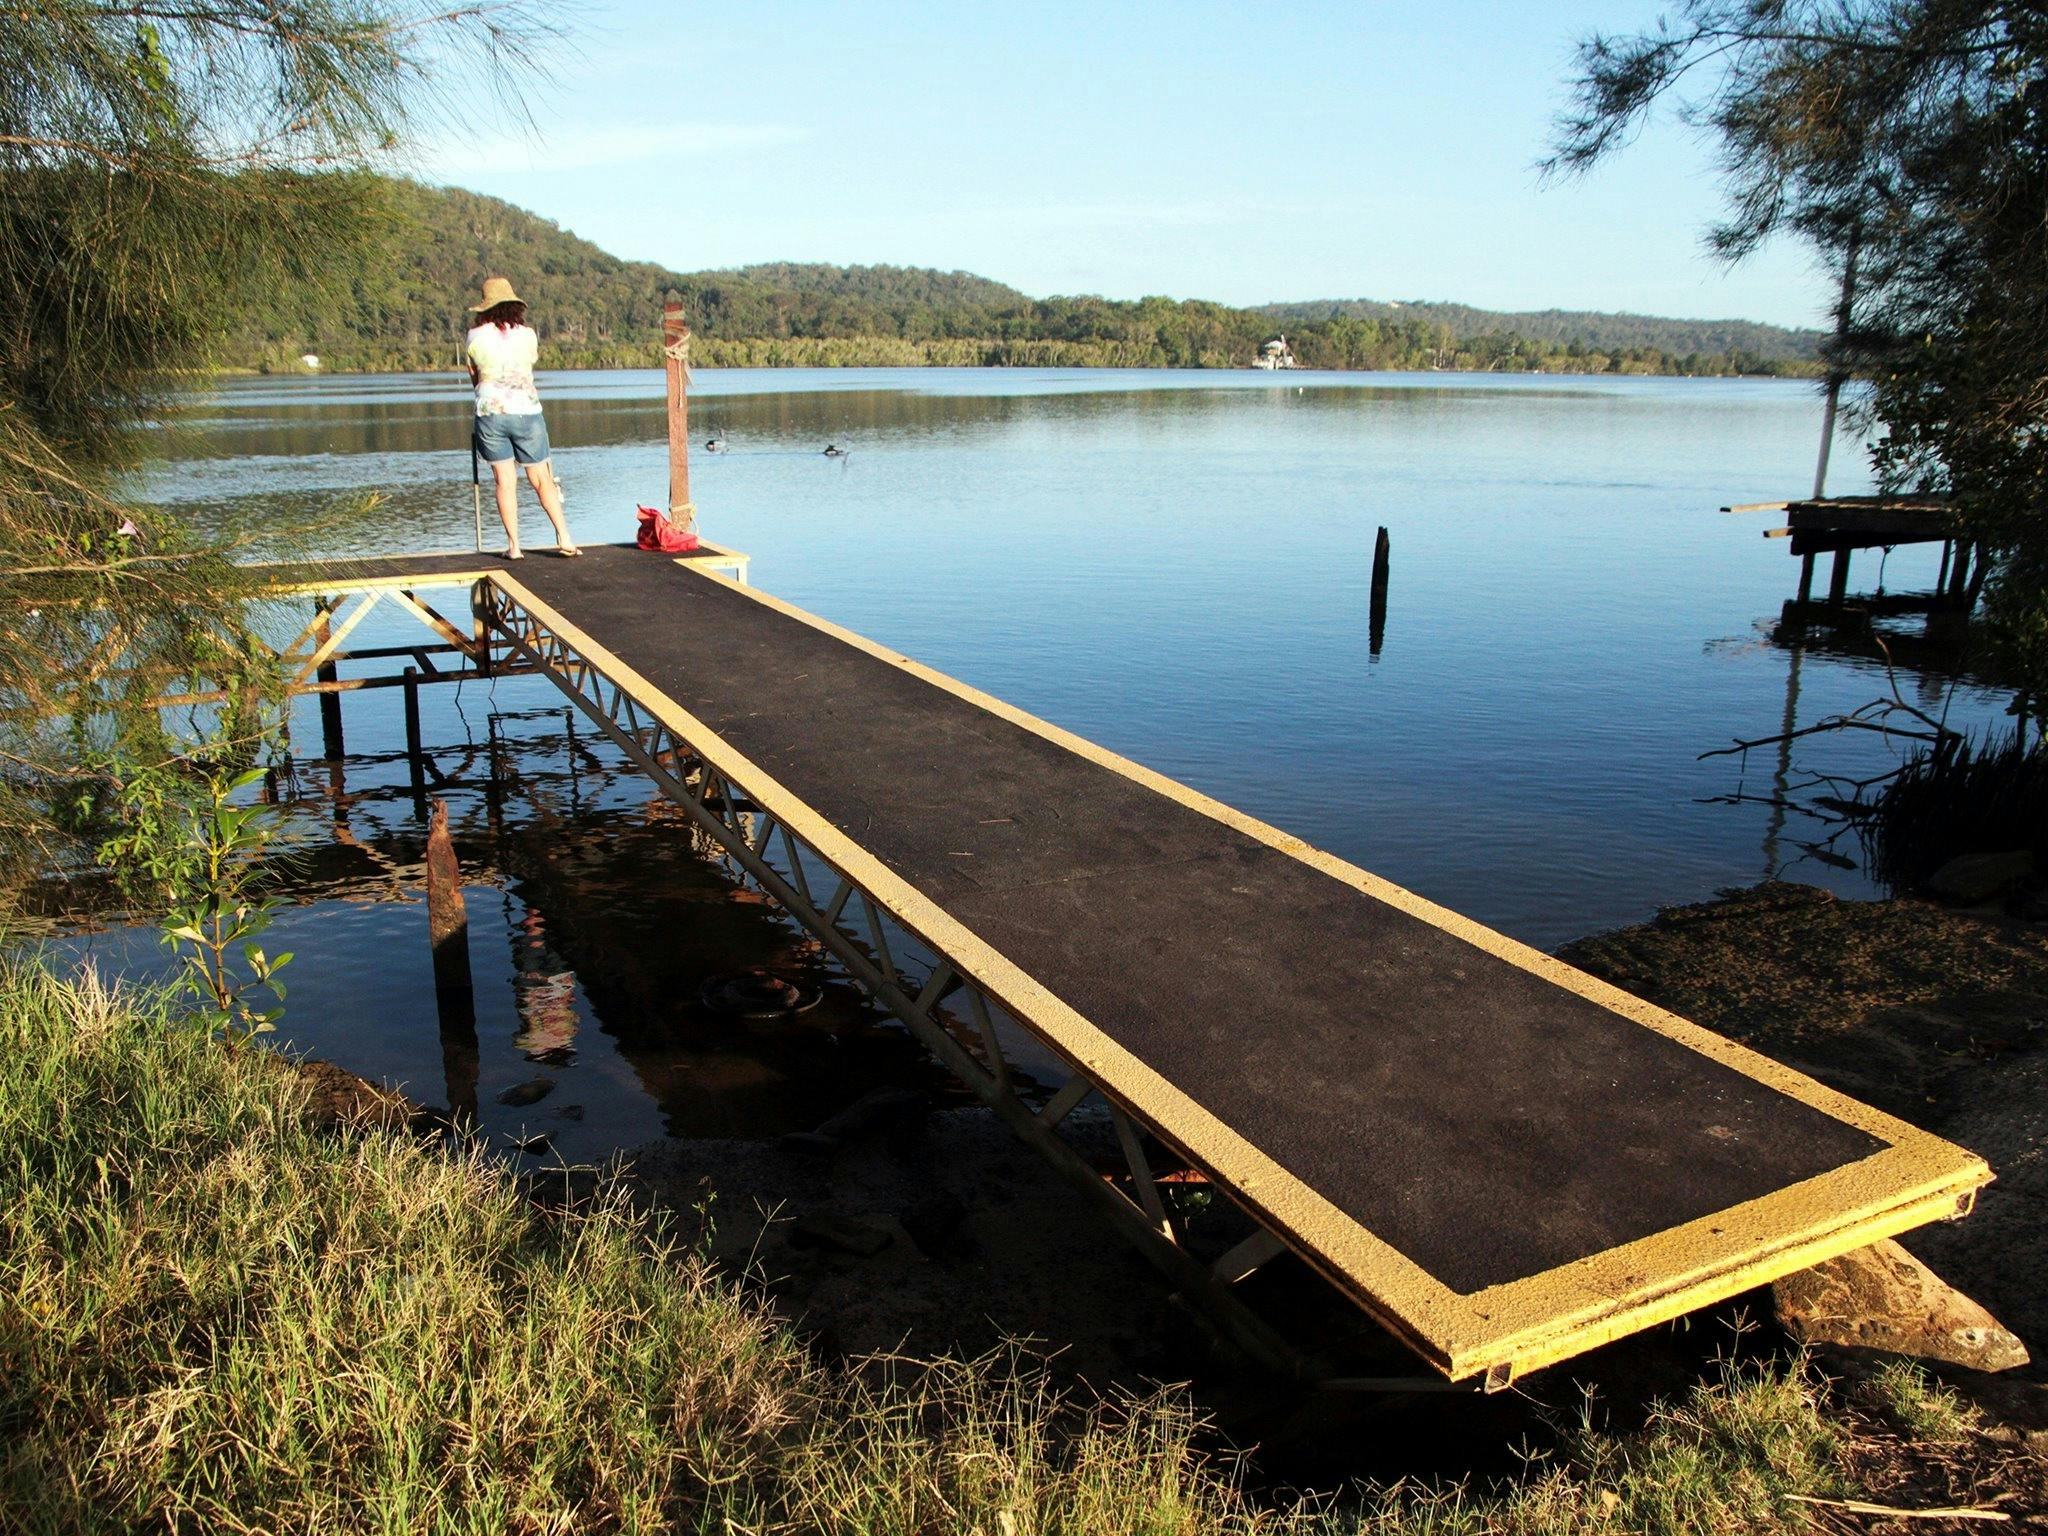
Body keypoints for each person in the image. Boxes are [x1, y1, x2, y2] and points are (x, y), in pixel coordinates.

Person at [464, 277, 578, 558]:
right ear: (515, 306)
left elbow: (474, 377)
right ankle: (565, 538)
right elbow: (528, 364)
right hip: (527, 411)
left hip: (490, 413)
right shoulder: (528, 335)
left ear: (485, 307)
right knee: (541, 479)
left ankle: (514, 546)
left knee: (504, 481)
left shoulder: (474, 336)